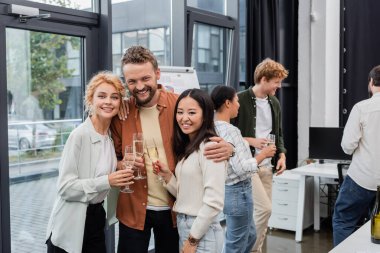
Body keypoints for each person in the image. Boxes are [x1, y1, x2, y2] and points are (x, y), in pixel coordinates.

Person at [110, 46, 233, 253]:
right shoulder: (121, 112)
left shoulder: (181, 105)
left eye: (145, 78)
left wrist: (230, 148)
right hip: (133, 208)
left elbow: (212, 132)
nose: (139, 87)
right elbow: (113, 156)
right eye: (132, 81)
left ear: (157, 74)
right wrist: (122, 164)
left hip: (175, 210)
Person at [46, 71, 134, 253]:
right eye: (101, 96)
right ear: (91, 100)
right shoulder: (79, 136)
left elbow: (98, 166)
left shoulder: (108, 135)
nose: (108, 102)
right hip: (71, 222)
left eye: (114, 97)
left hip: (96, 218)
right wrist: (108, 181)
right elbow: (65, 188)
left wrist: (119, 166)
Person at [153, 88, 226, 253]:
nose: (184, 118)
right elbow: (187, 195)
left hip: (201, 231)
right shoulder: (190, 147)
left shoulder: (210, 147)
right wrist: (167, 176)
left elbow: (214, 202)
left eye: (192, 112)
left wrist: (193, 239)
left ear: (205, 115)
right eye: (180, 112)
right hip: (186, 225)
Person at [211, 85, 276, 253]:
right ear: (227, 103)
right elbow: (242, 169)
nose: (238, 105)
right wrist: (264, 155)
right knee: (236, 244)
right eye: (237, 101)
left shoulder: (213, 128)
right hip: (239, 192)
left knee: (250, 236)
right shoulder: (231, 131)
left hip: (229, 191)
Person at [232, 58, 288, 253]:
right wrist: (252, 141)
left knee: (263, 217)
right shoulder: (239, 99)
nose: (279, 86)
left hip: (267, 166)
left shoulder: (274, 103)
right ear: (264, 79)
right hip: (248, 167)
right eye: (276, 82)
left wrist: (281, 155)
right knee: (263, 210)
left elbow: (278, 133)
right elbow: (228, 135)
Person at [332, 65, 380, 246]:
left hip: (361, 179)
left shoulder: (361, 108)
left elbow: (347, 146)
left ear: (371, 82)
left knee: (343, 220)